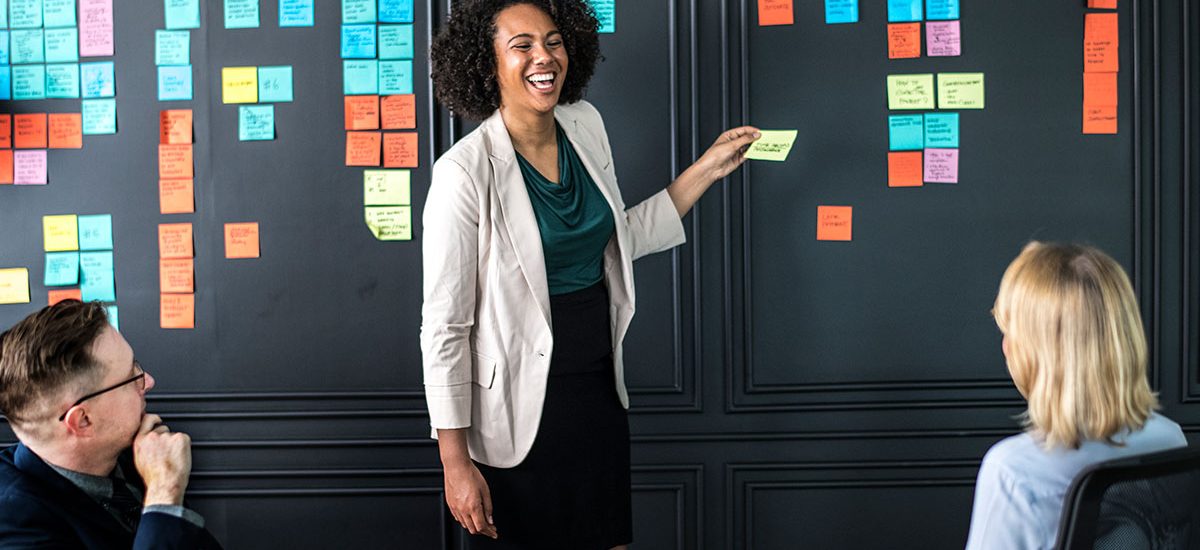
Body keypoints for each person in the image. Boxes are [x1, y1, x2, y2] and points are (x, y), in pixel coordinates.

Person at [422, 1, 760, 547]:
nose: (544, 56)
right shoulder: (462, 172)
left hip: (597, 386)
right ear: (486, 65)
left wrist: (706, 169)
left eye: (553, 41)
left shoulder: (585, 124)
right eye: (522, 45)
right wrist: (454, 463)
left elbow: (617, 240)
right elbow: (445, 328)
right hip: (515, 409)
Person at [965, 242, 1188, 549]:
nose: (1005, 345)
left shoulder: (1013, 472)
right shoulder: (1170, 438)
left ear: (1038, 352)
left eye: (1011, 332)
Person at [0, 300, 221, 549]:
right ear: (83, 420)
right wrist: (164, 494)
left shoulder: (131, 451)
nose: (148, 381)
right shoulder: (16, 527)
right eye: (131, 376)